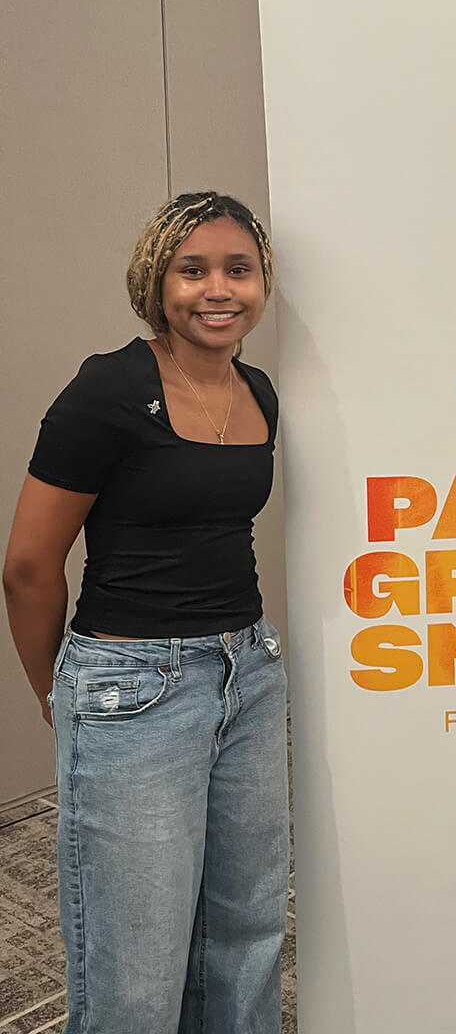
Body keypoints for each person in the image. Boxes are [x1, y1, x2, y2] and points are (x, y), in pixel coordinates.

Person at [2, 192, 289, 1034]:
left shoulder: (259, 390)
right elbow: (25, 567)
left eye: (239, 269)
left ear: (262, 281)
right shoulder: (109, 389)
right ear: (155, 282)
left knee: (246, 931)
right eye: (191, 269)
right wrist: (59, 691)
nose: (217, 290)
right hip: (133, 684)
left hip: (250, 674)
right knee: (138, 965)